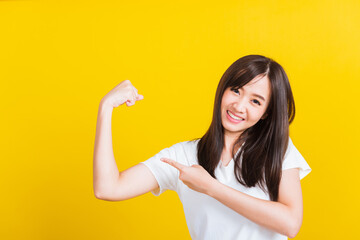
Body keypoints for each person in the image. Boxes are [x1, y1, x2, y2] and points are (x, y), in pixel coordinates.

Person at [93, 55, 311, 240]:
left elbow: (290, 223)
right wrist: (106, 108)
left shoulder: (278, 151)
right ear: (222, 89)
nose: (239, 105)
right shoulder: (184, 156)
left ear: (266, 113)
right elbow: (107, 188)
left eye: (256, 101)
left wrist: (211, 188)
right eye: (236, 90)